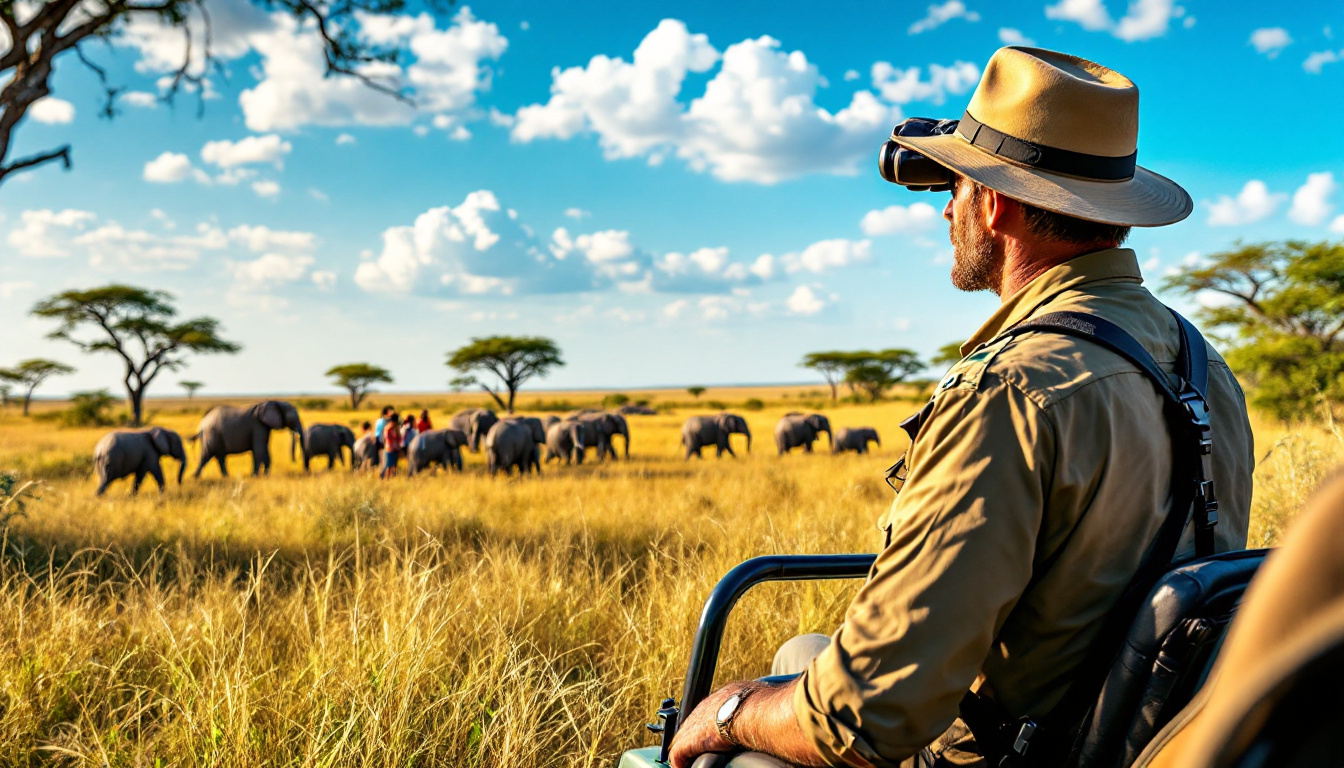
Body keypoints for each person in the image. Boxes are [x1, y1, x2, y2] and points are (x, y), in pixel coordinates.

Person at [669, 47, 1255, 768]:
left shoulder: (1009, 391)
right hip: (1150, 739)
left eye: (956, 185)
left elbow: (868, 719)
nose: (947, 207)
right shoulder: (1204, 365)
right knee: (802, 652)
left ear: (996, 202)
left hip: (1013, 752)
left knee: (733, 750)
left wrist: (731, 711)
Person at [380, 412, 402, 480]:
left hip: (389, 448)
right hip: (392, 448)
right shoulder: (392, 428)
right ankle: (387, 479)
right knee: (389, 466)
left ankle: (390, 479)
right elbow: (397, 438)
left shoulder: (387, 427)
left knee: (391, 465)